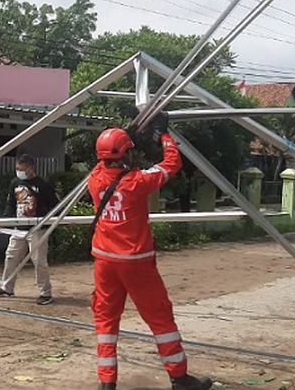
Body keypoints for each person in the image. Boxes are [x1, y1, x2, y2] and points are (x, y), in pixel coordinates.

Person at [87, 114, 212, 390]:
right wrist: (164, 136)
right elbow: (171, 164)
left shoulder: (94, 179)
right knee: (160, 318)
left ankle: (106, 383)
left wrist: (124, 136)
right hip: (136, 262)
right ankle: (179, 378)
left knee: (106, 320)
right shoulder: (136, 182)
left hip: (104, 261)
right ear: (125, 154)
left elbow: (104, 162)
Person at [0, 153, 58, 305]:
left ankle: (45, 292)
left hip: (37, 229)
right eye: (17, 168)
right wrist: (8, 217)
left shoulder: (43, 185)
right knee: (11, 257)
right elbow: (11, 203)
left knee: (39, 261)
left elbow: (55, 205)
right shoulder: (15, 183)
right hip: (18, 228)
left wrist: (45, 221)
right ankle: (7, 287)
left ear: (31, 167)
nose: (19, 171)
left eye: (22, 168)